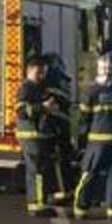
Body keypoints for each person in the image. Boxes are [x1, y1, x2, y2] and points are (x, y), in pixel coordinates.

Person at [73, 55, 112, 220]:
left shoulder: (91, 91)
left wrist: (81, 142)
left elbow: (84, 119)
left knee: (90, 173)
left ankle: (81, 208)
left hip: (98, 141)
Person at [15, 55, 58, 217]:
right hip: (30, 134)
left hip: (36, 134)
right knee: (36, 169)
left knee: (39, 168)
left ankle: (40, 201)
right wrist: (43, 107)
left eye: (43, 73)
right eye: (39, 73)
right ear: (30, 71)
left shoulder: (37, 87)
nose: (42, 76)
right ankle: (37, 204)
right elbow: (21, 111)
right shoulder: (26, 87)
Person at [43, 53, 75, 205]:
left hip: (54, 123)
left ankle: (60, 192)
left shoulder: (50, 79)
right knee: (64, 158)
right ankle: (66, 190)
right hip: (63, 123)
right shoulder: (64, 79)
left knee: (56, 160)